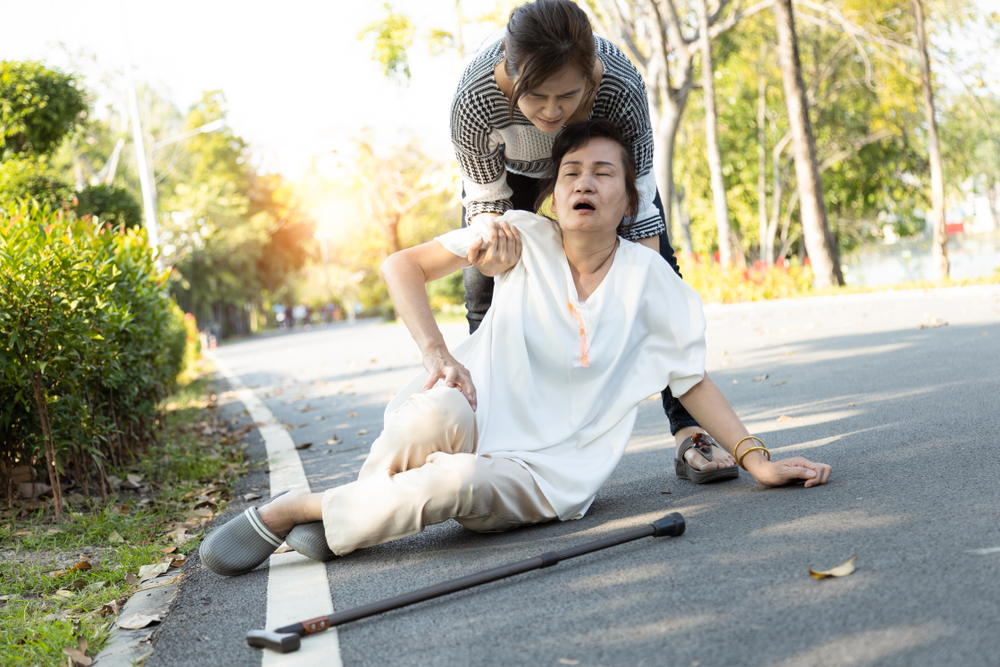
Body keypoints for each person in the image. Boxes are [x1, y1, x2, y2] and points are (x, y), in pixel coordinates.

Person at [199, 121, 831, 575]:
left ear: (628, 200)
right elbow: (401, 265)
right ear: (553, 195)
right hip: (473, 416)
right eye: (571, 172)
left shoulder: (651, 281)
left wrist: (756, 460)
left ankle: (296, 510)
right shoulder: (519, 236)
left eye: (603, 172)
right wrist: (437, 354)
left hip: (544, 473)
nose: (584, 181)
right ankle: (348, 522)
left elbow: (690, 381)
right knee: (430, 413)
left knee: (459, 481)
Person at [450, 0, 729, 479]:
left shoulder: (620, 83)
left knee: (661, 278)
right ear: (508, 74)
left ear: (592, 75)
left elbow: (639, 204)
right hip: (510, 175)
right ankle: (492, 428)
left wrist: (644, 286)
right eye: (535, 96)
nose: (552, 111)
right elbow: (484, 208)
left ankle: (689, 429)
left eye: (568, 96)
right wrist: (495, 252)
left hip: (588, 168)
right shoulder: (474, 98)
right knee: (482, 286)